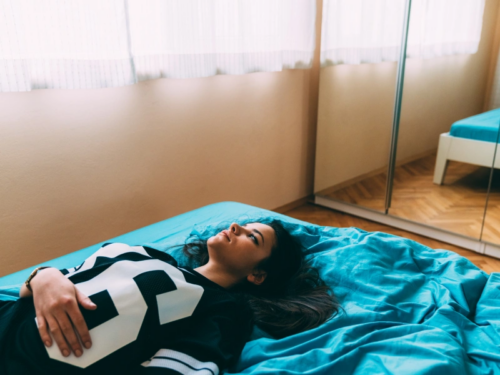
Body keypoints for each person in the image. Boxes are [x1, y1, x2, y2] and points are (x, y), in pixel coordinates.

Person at [0, 218, 340, 374]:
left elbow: (185, 365)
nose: (235, 227)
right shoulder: (137, 251)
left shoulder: (223, 309)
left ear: (257, 275)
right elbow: (30, 288)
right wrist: (44, 276)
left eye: (253, 238)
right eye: (242, 224)